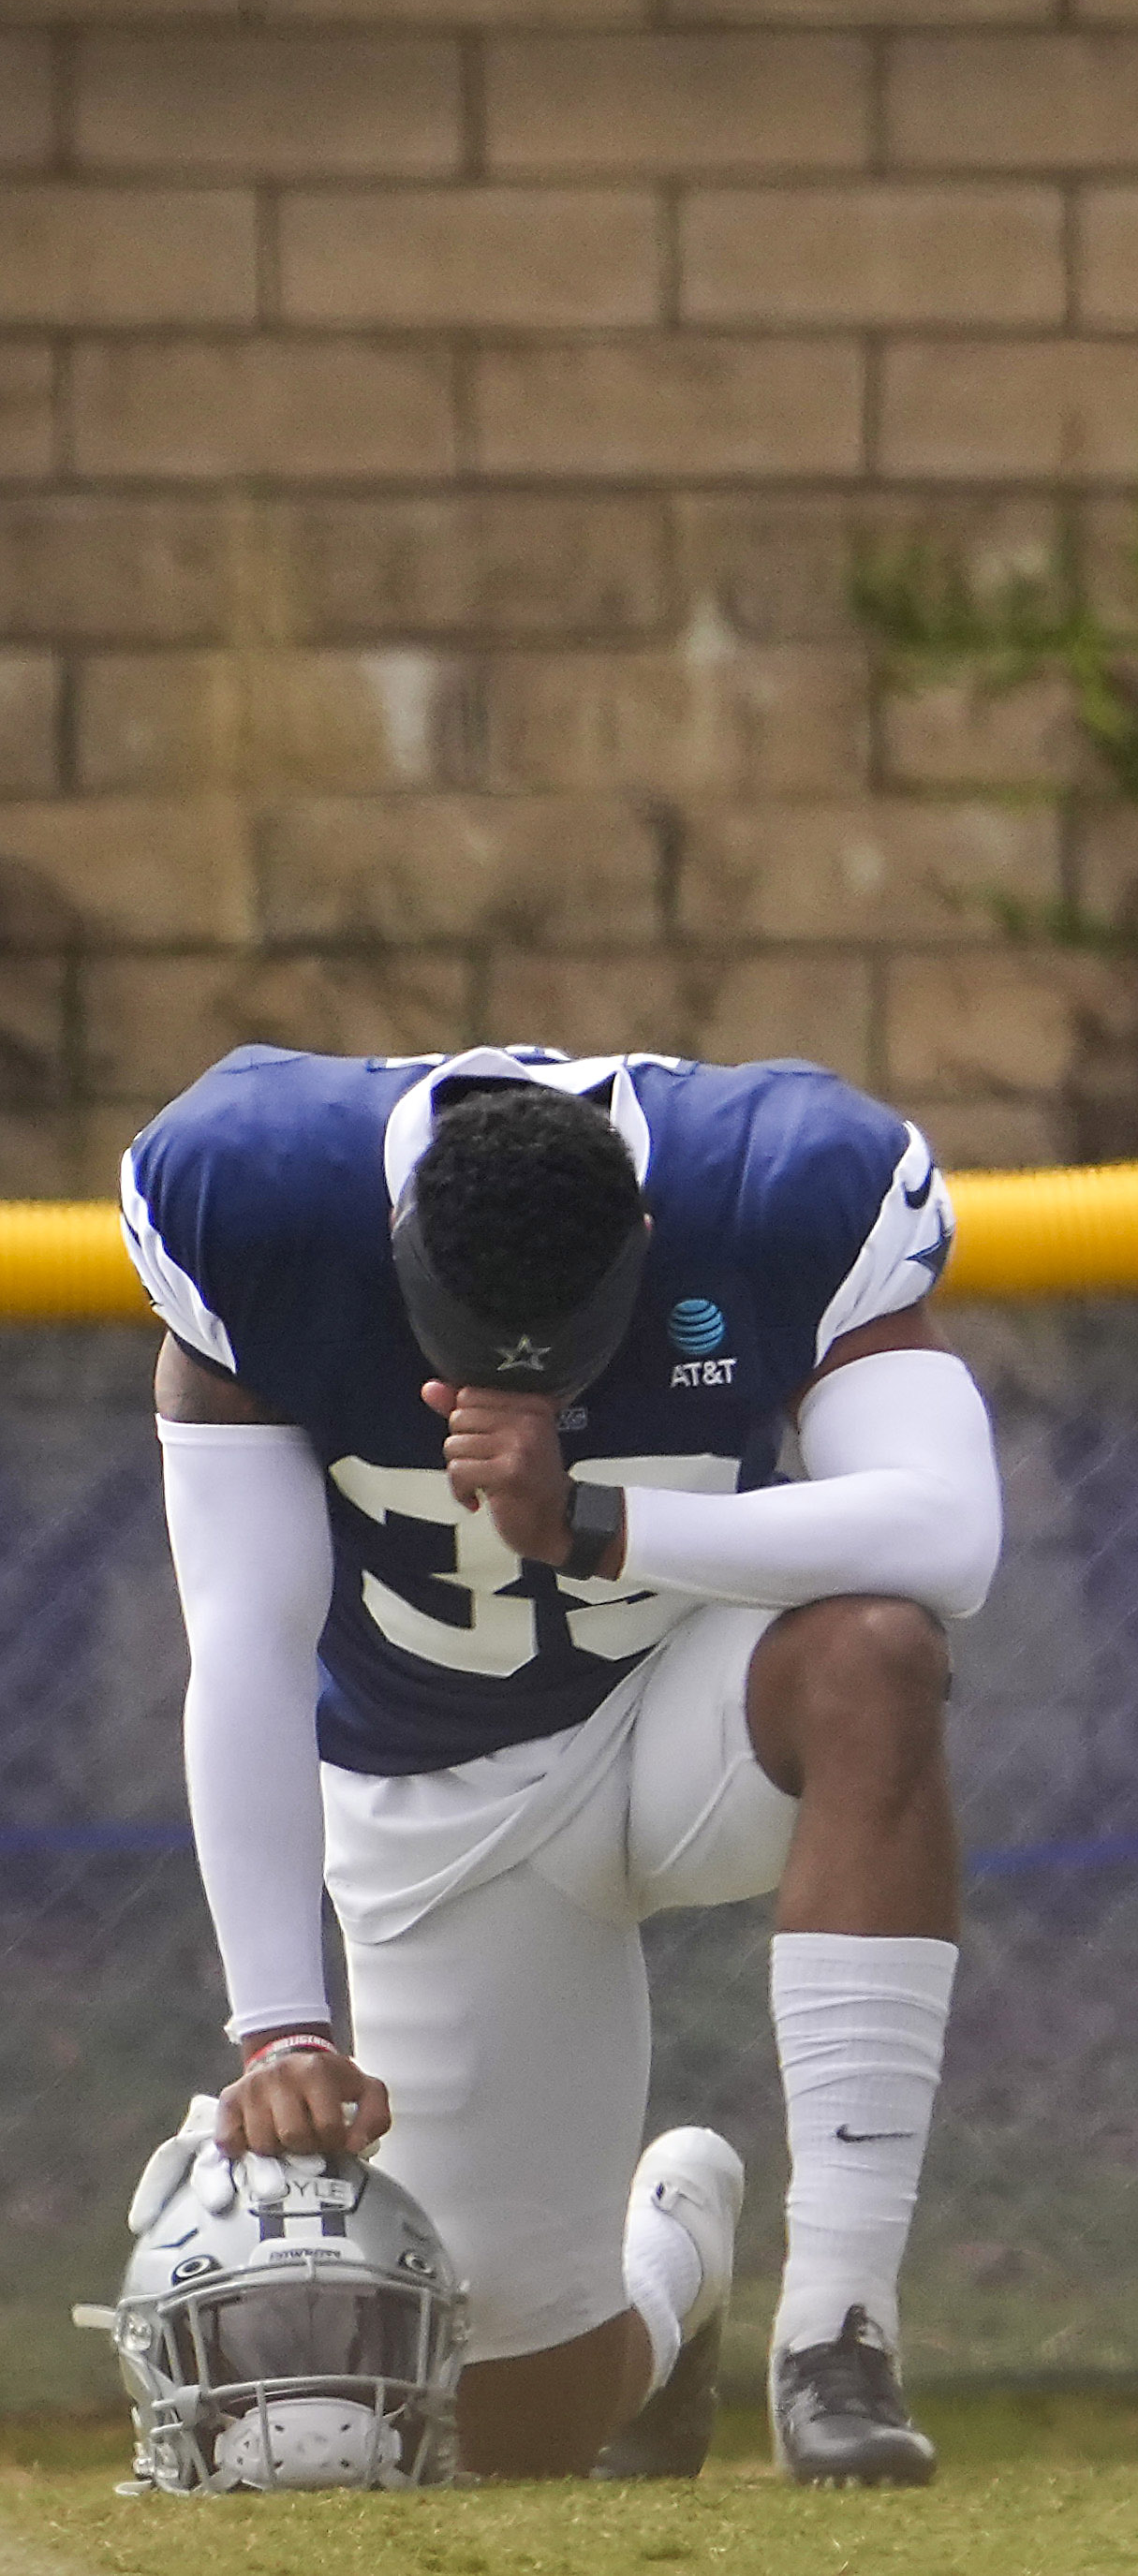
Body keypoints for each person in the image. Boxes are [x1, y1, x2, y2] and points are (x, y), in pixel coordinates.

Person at [121, 1043, 1003, 2485]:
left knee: (877, 1653)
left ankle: (838, 2334)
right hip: (438, 1791)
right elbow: (247, 1640)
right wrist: (280, 2023)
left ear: (649, 1249)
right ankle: (681, 2255)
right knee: (515, 2432)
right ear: (393, 1235)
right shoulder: (254, 1198)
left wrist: (594, 1522)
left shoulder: (778, 1182)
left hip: (692, 1704)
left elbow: (950, 1529)